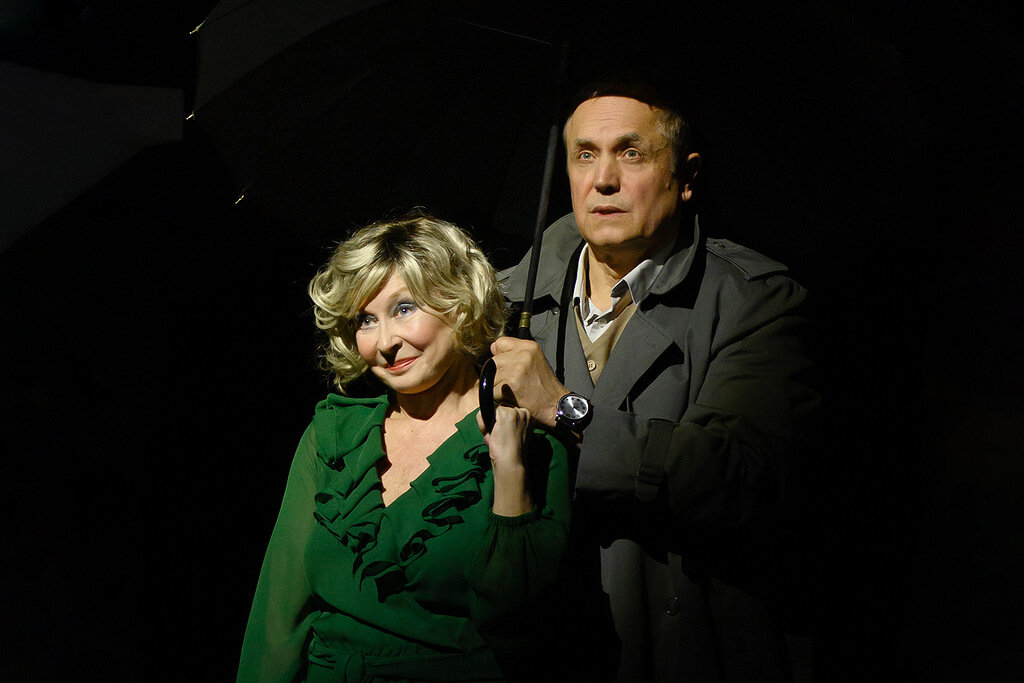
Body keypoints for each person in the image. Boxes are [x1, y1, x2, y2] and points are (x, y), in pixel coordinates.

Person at [490, 77, 818, 681]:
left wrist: (565, 409)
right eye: (584, 154)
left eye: (631, 153)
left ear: (686, 176)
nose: (603, 180)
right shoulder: (505, 301)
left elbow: (741, 476)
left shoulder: (754, 300)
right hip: (538, 647)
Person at [237, 212, 570, 682]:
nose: (385, 342)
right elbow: (278, 613)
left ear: (460, 303)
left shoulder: (529, 443)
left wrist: (510, 472)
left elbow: (523, 630)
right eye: (366, 320)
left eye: (404, 309)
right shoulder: (334, 437)